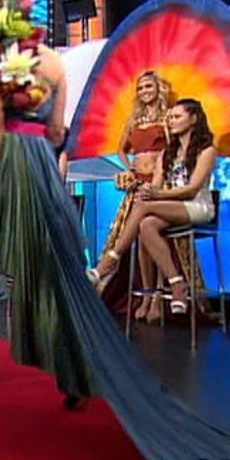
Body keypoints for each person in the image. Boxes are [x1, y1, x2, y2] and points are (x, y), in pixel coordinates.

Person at [0, 0, 230, 460]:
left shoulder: (1, 65)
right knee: (60, 276)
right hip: (43, 167)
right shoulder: (53, 64)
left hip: (16, 166)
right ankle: (75, 374)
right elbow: (59, 131)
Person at [90, 98, 219, 316]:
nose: (171, 121)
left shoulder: (207, 151)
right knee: (146, 224)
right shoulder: (166, 154)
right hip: (171, 206)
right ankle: (176, 282)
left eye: (177, 117)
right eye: (170, 117)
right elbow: (155, 186)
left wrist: (156, 195)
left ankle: (110, 260)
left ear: (193, 119)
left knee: (143, 207)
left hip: (198, 206)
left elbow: (192, 189)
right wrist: (135, 184)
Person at [95, 71, 171, 320]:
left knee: (155, 237)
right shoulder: (133, 119)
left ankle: (158, 296)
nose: (144, 91)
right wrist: (129, 168)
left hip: (159, 184)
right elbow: (121, 149)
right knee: (137, 237)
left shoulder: (168, 117)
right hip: (137, 183)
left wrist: (161, 171)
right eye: (140, 88)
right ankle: (146, 295)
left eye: (149, 86)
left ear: (158, 89)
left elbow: (173, 149)